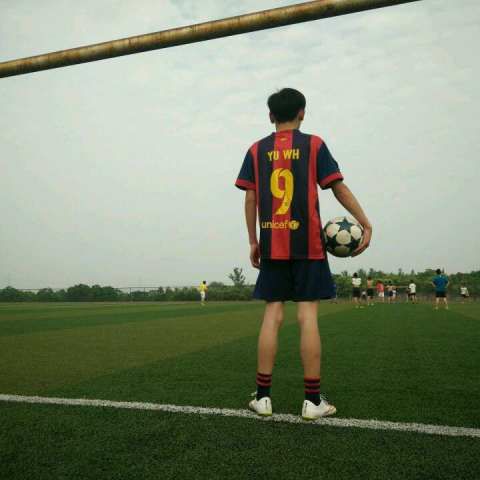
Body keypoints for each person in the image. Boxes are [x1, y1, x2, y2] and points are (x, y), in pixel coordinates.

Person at [235, 88, 372, 420]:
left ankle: (263, 398)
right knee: (307, 316)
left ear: (271, 116)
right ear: (302, 113)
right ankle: (312, 401)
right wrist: (365, 223)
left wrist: (253, 241)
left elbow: (250, 198)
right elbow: (337, 187)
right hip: (308, 244)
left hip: (272, 243)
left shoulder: (256, 150)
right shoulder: (314, 145)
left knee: (272, 315)